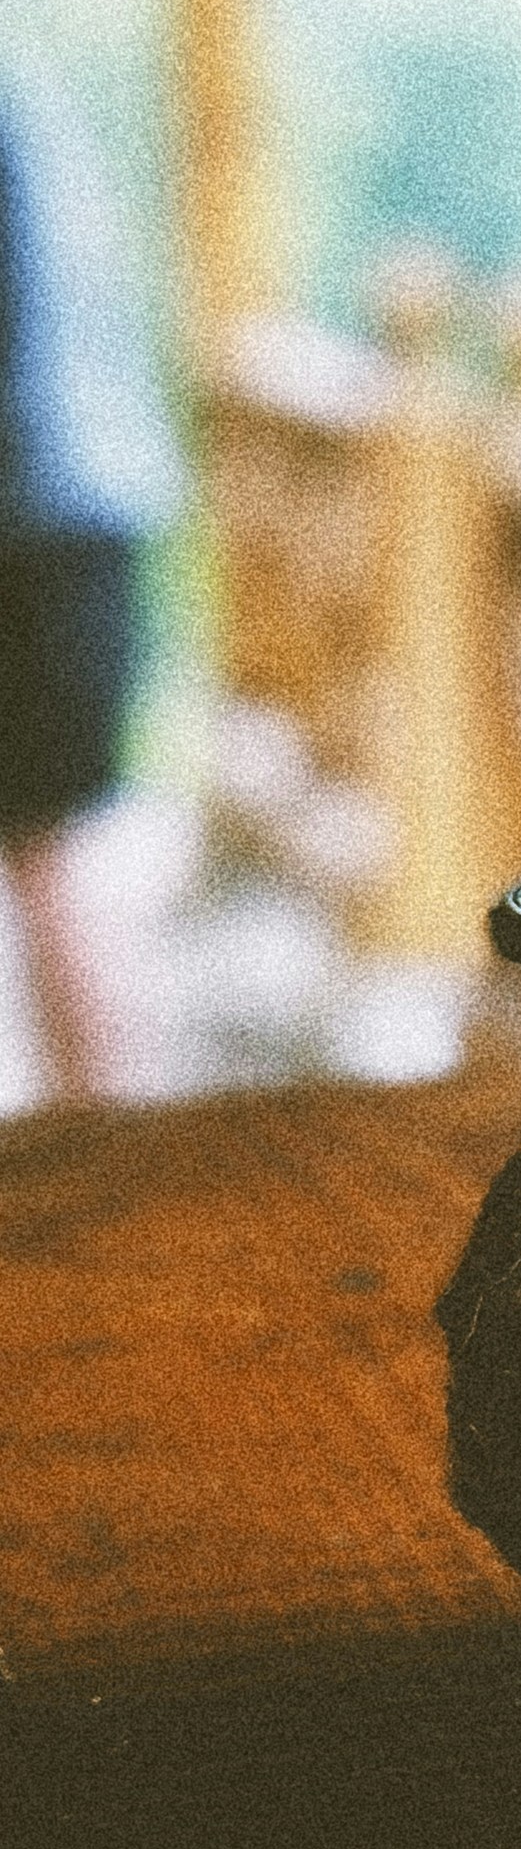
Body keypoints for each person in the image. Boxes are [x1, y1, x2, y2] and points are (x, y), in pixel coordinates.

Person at [0, 61, 180, 1100]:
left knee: (54, 864)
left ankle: (107, 1157)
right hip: (72, 523)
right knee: (56, 860)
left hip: (32, 535)